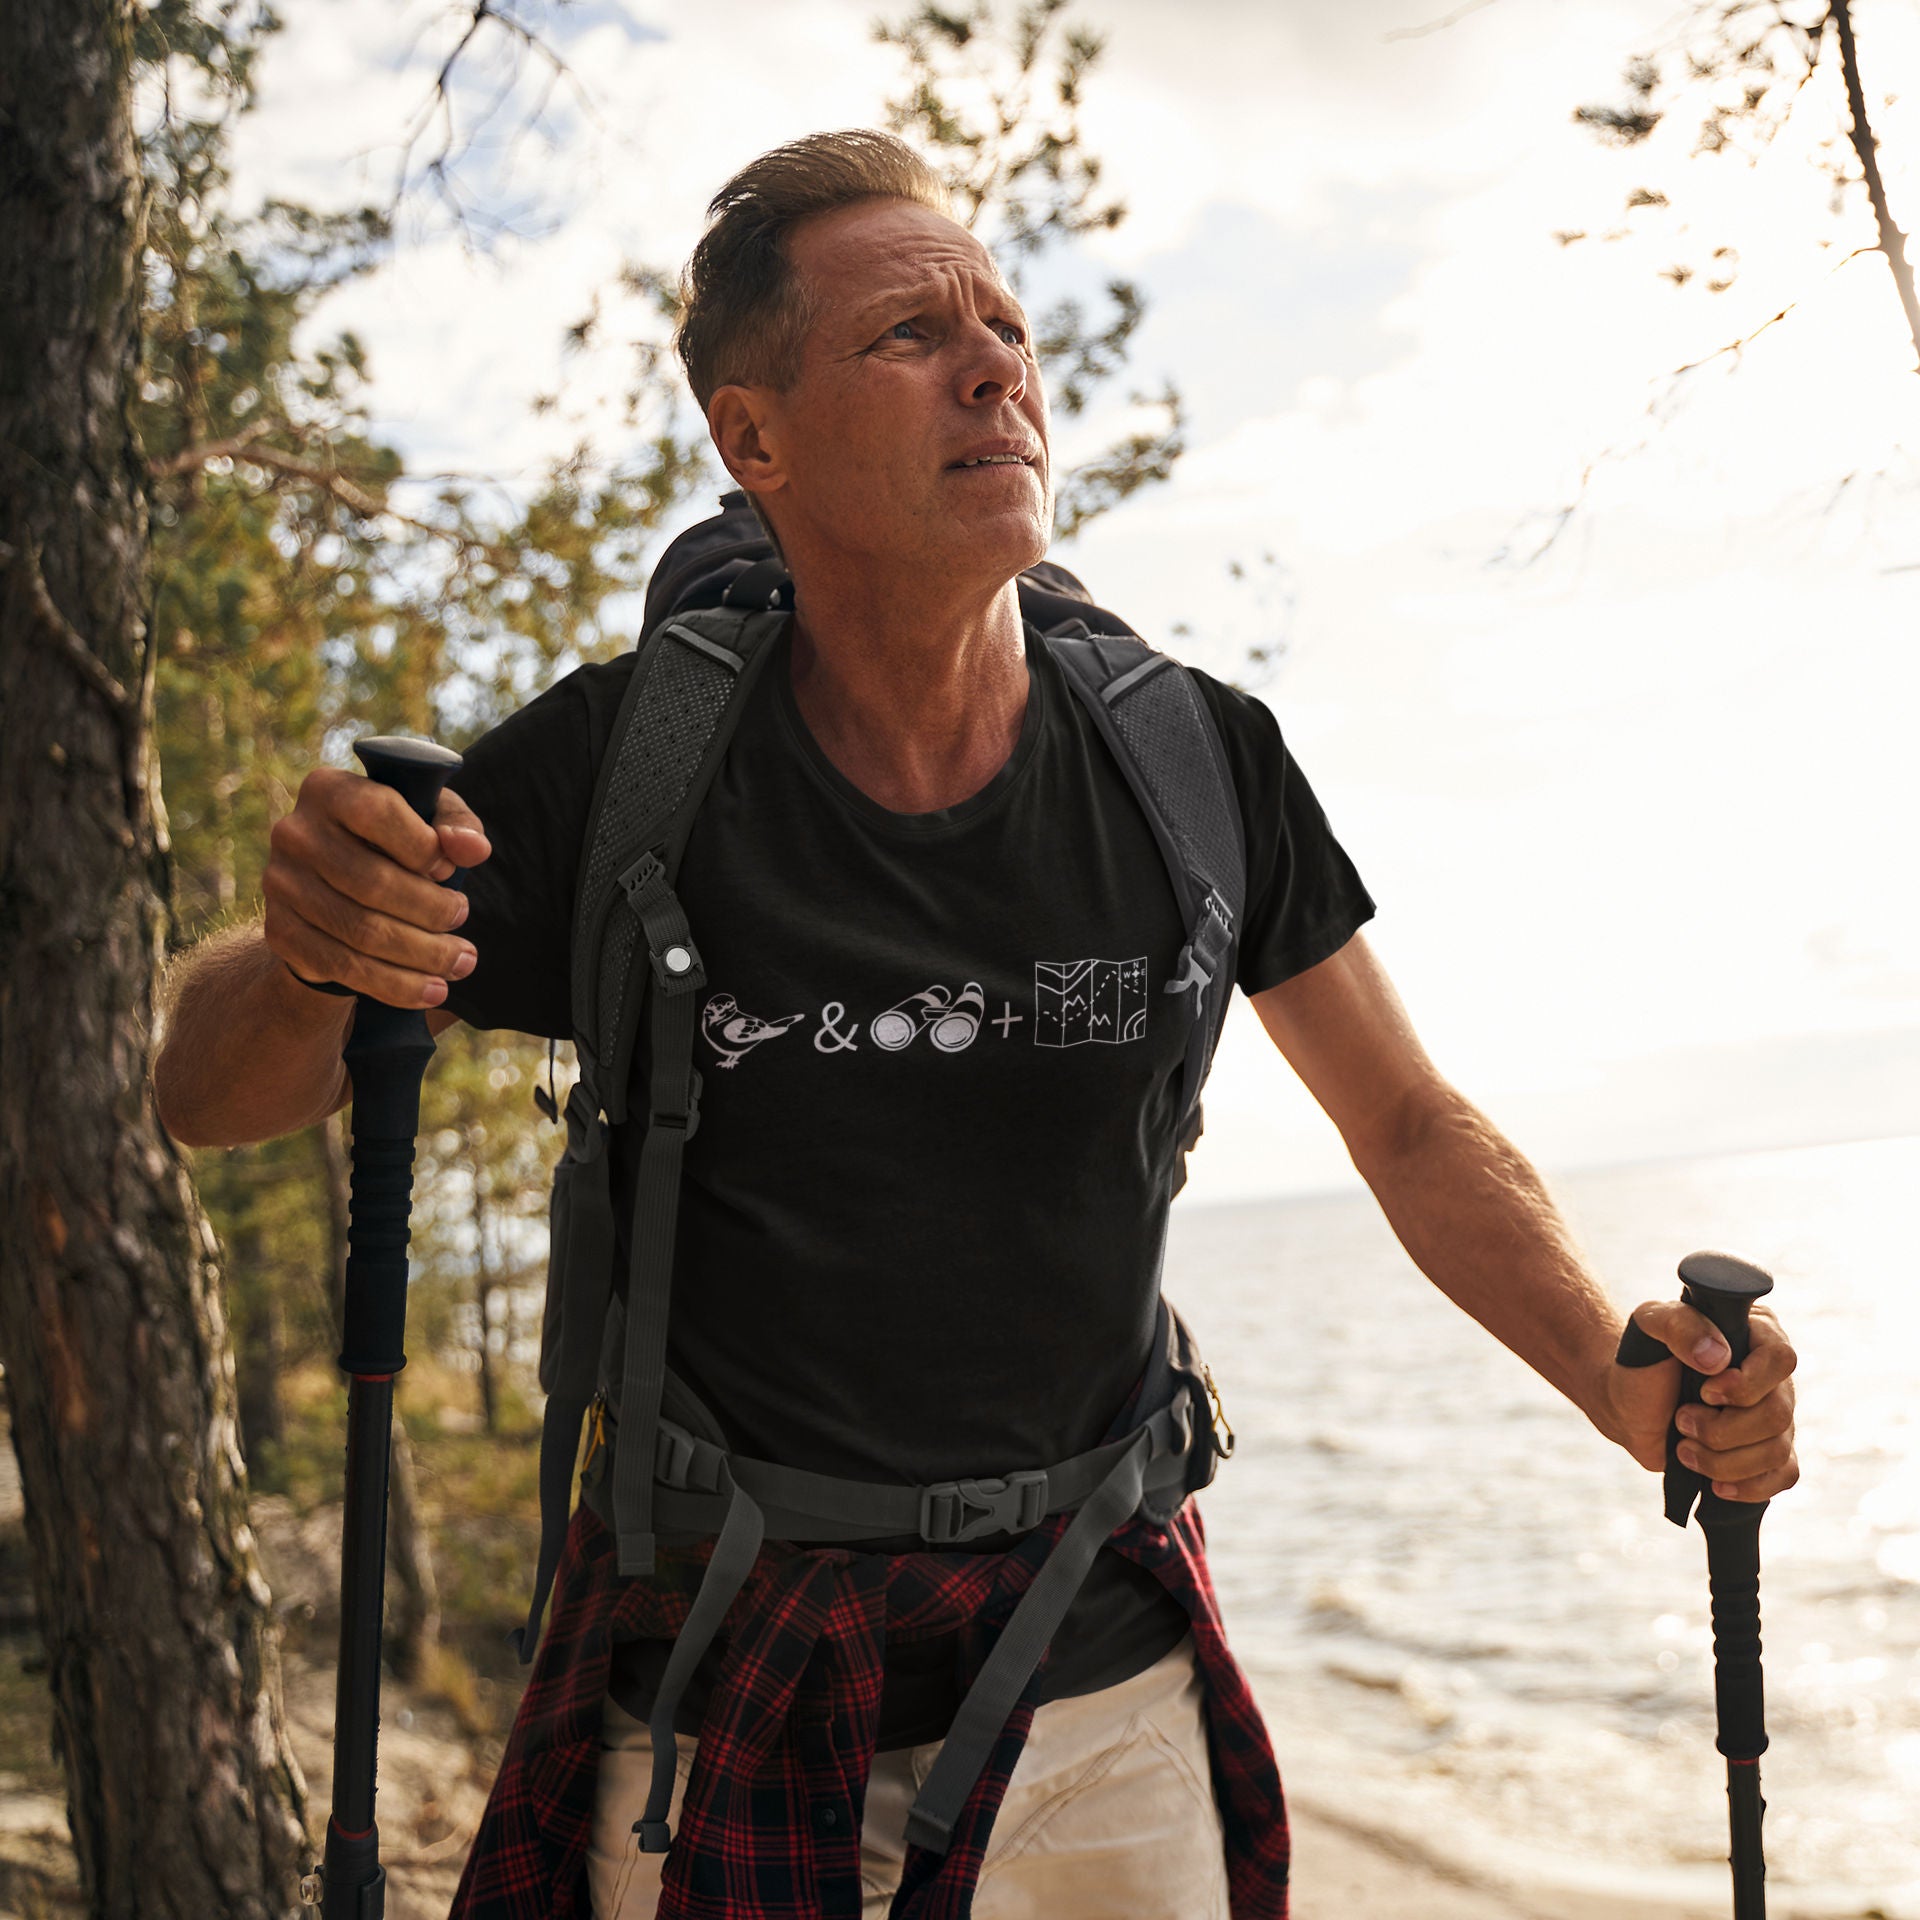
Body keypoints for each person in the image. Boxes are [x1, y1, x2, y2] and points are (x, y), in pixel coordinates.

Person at [154, 130, 1799, 1920]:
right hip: (724, 1696)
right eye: (908, 336)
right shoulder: (629, 769)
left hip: (1109, 1687)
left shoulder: (1190, 760)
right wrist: (309, 946)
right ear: (752, 438)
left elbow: (1402, 1123)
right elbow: (213, 1094)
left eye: (1002, 321)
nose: (997, 362)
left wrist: (1619, 1383)